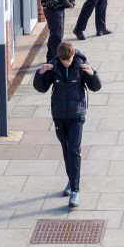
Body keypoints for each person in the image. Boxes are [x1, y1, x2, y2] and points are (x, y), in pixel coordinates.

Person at [32, 42, 101, 208]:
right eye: (63, 61)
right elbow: (41, 88)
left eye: (68, 60)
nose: (66, 63)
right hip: (59, 115)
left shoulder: (81, 66)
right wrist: (40, 73)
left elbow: (96, 87)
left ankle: (75, 190)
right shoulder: (53, 67)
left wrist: (93, 74)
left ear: (73, 56)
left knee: (74, 150)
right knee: (66, 147)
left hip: (77, 115)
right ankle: (71, 180)